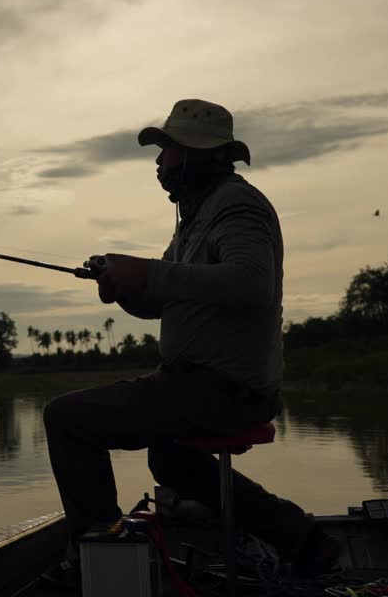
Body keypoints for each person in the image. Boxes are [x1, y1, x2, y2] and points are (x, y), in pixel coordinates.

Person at [39, 98, 341, 592]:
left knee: (67, 418)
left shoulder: (237, 206)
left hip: (225, 387)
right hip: (194, 384)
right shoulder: (196, 218)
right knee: (171, 461)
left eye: (167, 150)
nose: (159, 163)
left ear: (197, 154)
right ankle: (302, 539)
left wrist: (148, 272)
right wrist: (126, 291)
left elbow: (251, 283)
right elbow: (161, 300)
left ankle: (101, 554)